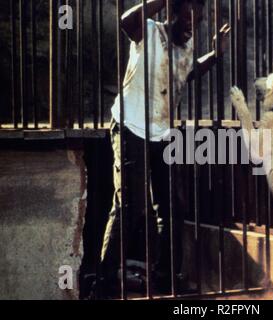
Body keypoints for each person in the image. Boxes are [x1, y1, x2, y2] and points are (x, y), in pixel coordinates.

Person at [99, 0, 230, 297]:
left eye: (196, 21)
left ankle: (166, 279)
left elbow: (188, 72)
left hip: (163, 133)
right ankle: (105, 283)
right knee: (129, 206)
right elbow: (125, 20)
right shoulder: (147, 32)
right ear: (170, 14)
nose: (191, 26)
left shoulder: (187, 43)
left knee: (172, 207)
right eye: (186, 19)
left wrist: (216, 55)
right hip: (131, 125)